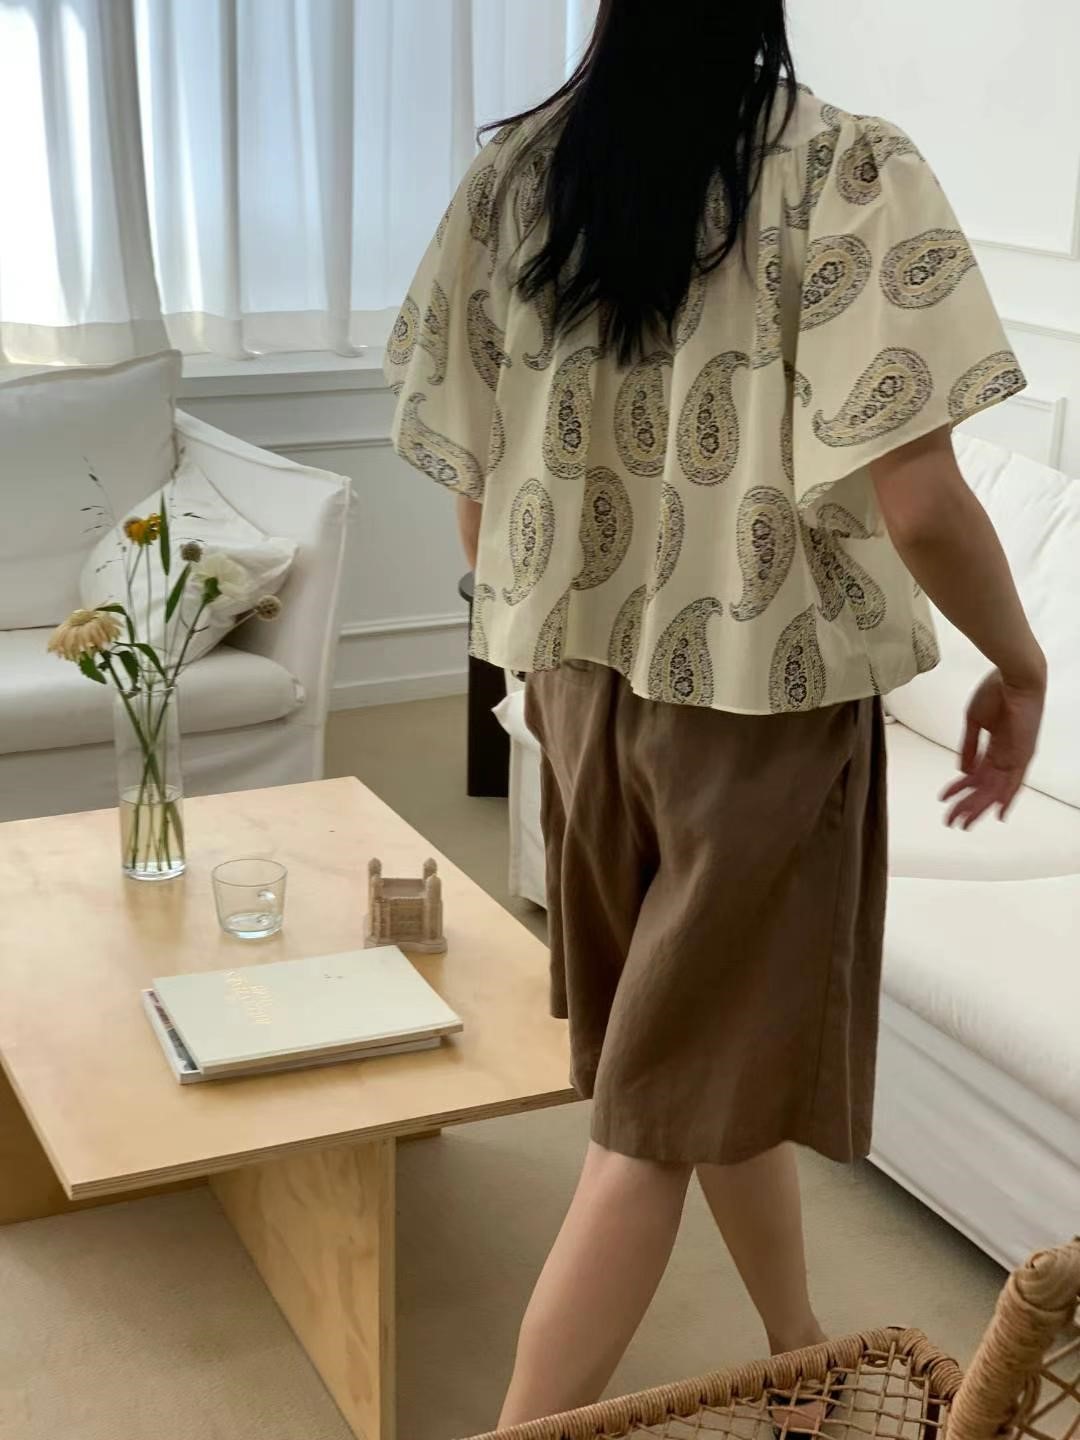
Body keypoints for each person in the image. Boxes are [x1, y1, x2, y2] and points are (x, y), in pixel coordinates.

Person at [384, 1, 1046, 1429]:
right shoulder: (848, 169)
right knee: (649, 1126)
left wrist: (539, 647)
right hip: (765, 706)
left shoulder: (516, 176)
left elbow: (472, 474)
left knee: (698, 1054)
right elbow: (922, 501)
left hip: (576, 685)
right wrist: (1020, 664)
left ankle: (799, 1352)